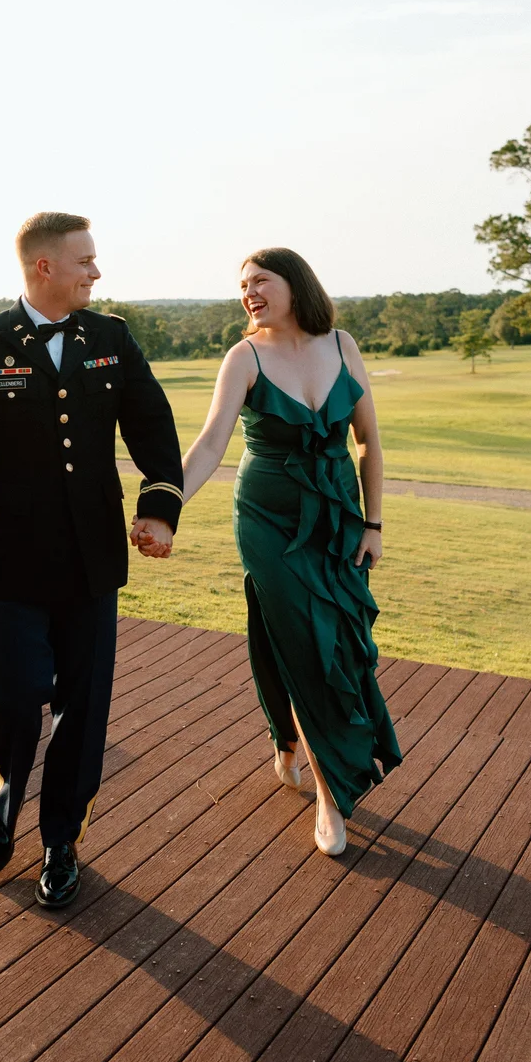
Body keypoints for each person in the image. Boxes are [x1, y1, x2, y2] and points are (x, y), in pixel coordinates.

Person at [0, 212, 183, 907]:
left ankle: (61, 840)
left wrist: (159, 505)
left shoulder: (111, 338)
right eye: (85, 261)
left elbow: (153, 424)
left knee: (84, 704)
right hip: (8, 556)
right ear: (45, 266)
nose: (95, 273)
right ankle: (6, 795)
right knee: (12, 694)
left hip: (93, 557)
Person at [181, 248, 401, 856]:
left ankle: (286, 739)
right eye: (242, 285)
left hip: (336, 518)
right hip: (268, 519)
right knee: (305, 641)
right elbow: (209, 444)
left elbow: (369, 445)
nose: (249, 292)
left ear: (294, 283)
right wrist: (164, 505)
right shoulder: (244, 356)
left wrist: (374, 523)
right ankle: (332, 796)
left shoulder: (342, 345)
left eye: (260, 281)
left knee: (335, 641)